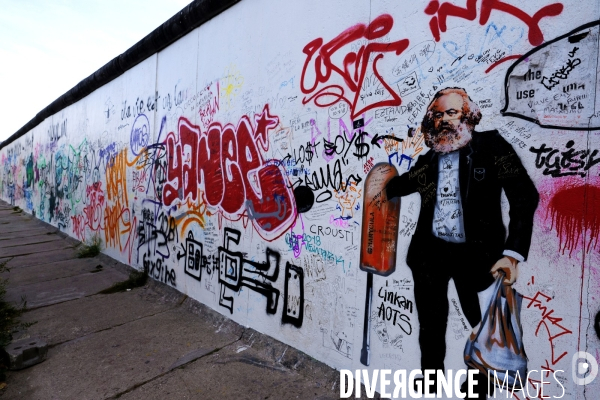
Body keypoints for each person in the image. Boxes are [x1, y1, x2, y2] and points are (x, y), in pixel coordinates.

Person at [385, 87, 539, 397]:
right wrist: (377, 184)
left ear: (468, 116)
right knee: (430, 322)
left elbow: (524, 195)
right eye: (438, 115)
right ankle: (431, 378)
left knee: (482, 321)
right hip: (431, 254)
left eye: (451, 113)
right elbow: (402, 185)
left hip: (477, 255)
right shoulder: (430, 158)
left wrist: (512, 254)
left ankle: (480, 383)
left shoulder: (492, 147)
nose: (443, 120)